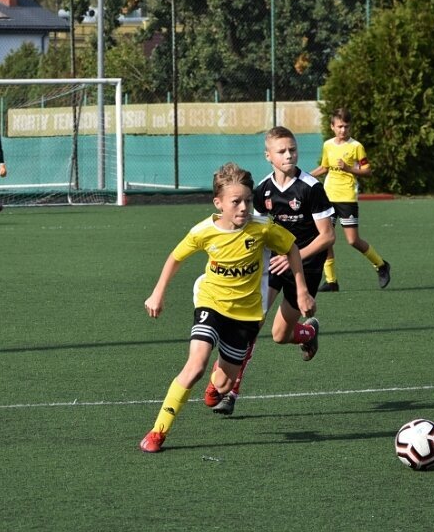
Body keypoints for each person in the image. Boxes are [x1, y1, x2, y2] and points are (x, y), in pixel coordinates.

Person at [139, 162, 316, 453]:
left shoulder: (263, 229)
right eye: (236, 201)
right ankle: (158, 432)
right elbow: (176, 257)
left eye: (248, 200)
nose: (244, 207)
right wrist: (157, 293)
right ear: (218, 203)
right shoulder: (203, 231)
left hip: (246, 314)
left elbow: (292, 250)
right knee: (195, 366)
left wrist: (302, 290)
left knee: (222, 386)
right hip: (211, 301)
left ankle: (217, 381)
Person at [204, 126, 336, 415]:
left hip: (305, 266)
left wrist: (294, 258)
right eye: (282, 151)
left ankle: (305, 334)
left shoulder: (312, 188)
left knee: (279, 335)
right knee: (253, 324)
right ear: (268, 156)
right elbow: (257, 233)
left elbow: (327, 236)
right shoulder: (262, 190)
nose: (289, 155)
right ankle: (230, 392)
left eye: (292, 149)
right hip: (272, 265)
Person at [310, 108, 390, 291]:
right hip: (328, 197)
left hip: (347, 198)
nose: (343, 130)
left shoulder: (356, 147)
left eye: (346, 127)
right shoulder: (328, 145)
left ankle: (381, 265)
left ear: (350, 127)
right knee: (325, 239)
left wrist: (348, 169)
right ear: (332, 127)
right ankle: (331, 281)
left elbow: (367, 171)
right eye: (339, 127)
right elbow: (324, 168)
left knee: (353, 240)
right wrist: (305, 176)